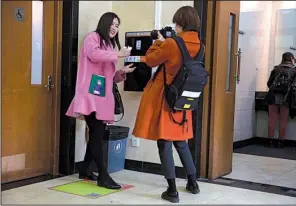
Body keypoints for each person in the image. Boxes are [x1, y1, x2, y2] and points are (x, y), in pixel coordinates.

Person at [133, 6, 201, 203]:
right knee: (181, 142)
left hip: (166, 99)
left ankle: (172, 190)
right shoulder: (200, 45)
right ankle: (193, 183)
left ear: (180, 23)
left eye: (176, 23)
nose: (175, 27)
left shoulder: (172, 43)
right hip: (184, 99)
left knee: (164, 142)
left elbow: (151, 60)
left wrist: (157, 42)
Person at [66, 12, 135, 189]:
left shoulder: (110, 46)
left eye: (117, 25)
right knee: (96, 133)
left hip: (101, 96)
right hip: (90, 95)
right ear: (104, 23)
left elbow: (109, 76)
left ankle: (85, 169)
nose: (114, 28)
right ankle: (103, 176)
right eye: (112, 24)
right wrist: (118, 55)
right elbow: (94, 55)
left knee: (97, 132)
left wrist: (121, 73)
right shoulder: (92, 38)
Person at [266, 52, 295, 148]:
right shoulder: (294, 71)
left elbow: (269, 83)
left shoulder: (276, 69)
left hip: (273, 96)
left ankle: (269, 141)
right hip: (286, 98)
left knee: (271, 119)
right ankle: (280, 142)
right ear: (291, 58)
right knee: (283, 120)